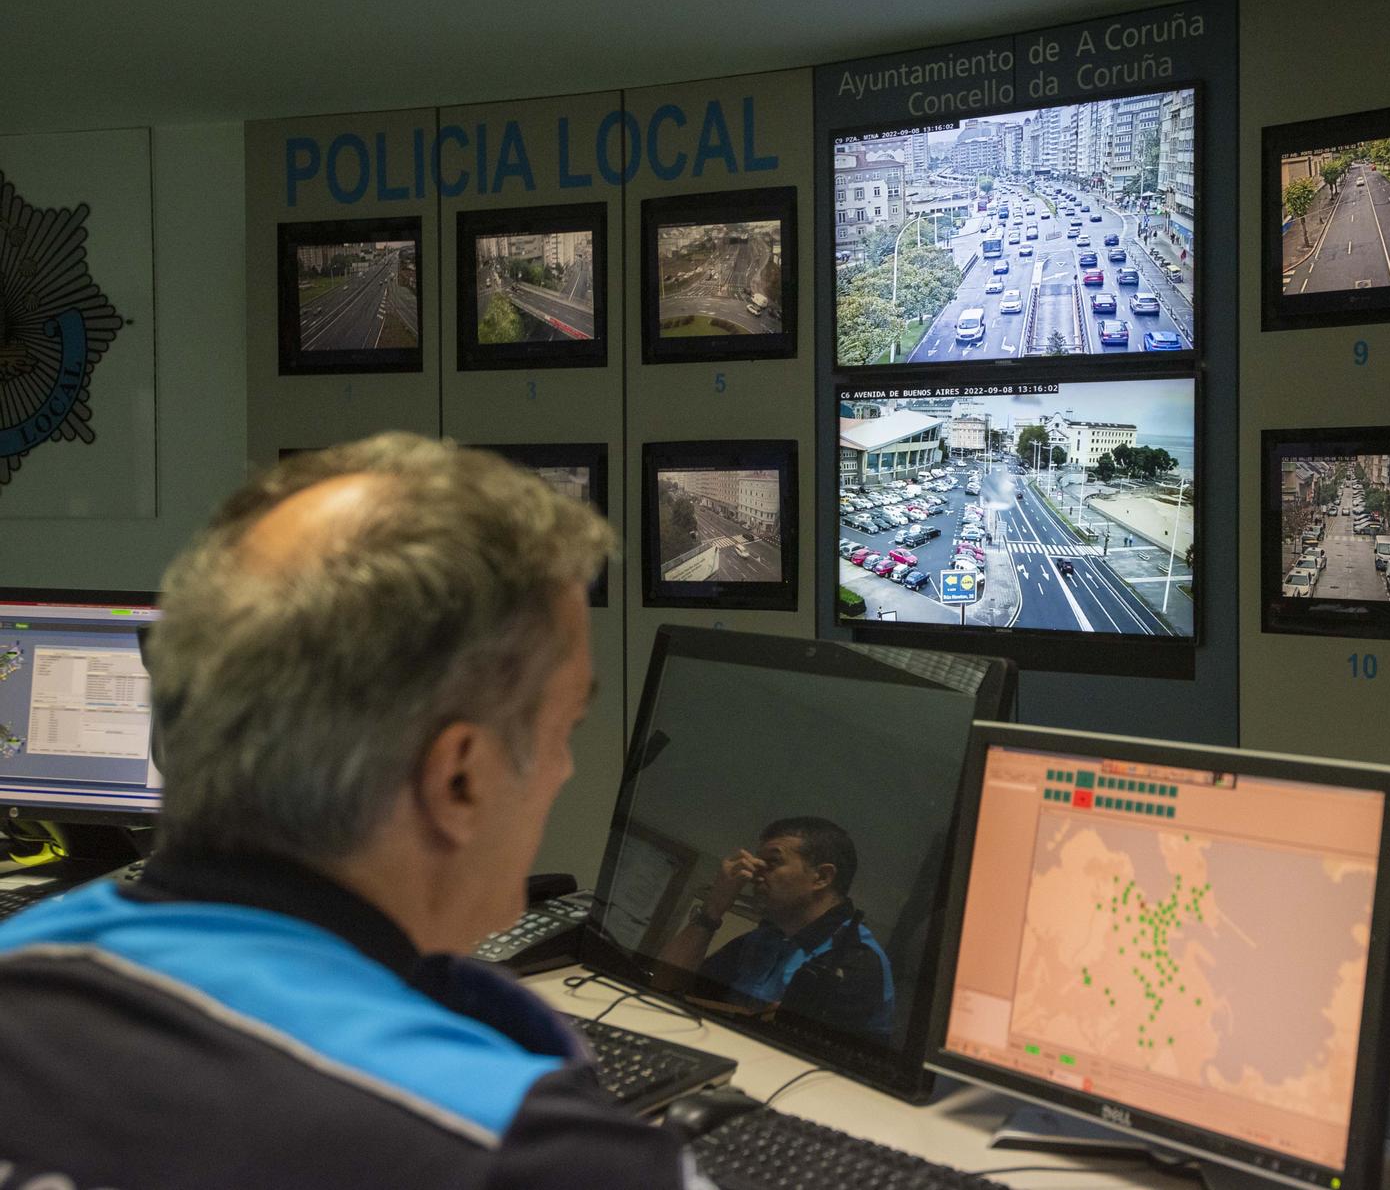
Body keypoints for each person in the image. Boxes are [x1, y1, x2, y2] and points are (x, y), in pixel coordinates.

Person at [0, 435, 711, 1188]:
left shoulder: (24, 965)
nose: (565, 768)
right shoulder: (527, 1153)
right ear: (459, 779)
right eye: (563, 729)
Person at [657, 817, 895, 1044]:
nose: (753, 874)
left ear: (821, 877)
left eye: (772, 863)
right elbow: (662, 988)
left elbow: (791, 1046)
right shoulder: (766, 938)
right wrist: (712, 911)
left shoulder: (856, 959)